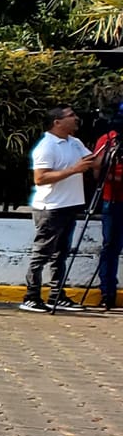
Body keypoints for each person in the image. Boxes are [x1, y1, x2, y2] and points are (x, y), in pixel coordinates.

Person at [24, 105, 100, 313]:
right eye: (71, 116)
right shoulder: (46, 146)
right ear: (57, 122)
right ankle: (31, 296)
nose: (76, 119)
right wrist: (73, 170)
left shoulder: (74, 143)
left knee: (61, 254)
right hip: (51, 207)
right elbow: (40, 178)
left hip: (69, 205)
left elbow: (93, 162)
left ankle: (57, 294)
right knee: (42, 253)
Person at [92, 104, 123, 310]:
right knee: (110, 247)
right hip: (113, 200)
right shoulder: (109, 139)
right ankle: (107, 293)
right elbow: (97, 168)